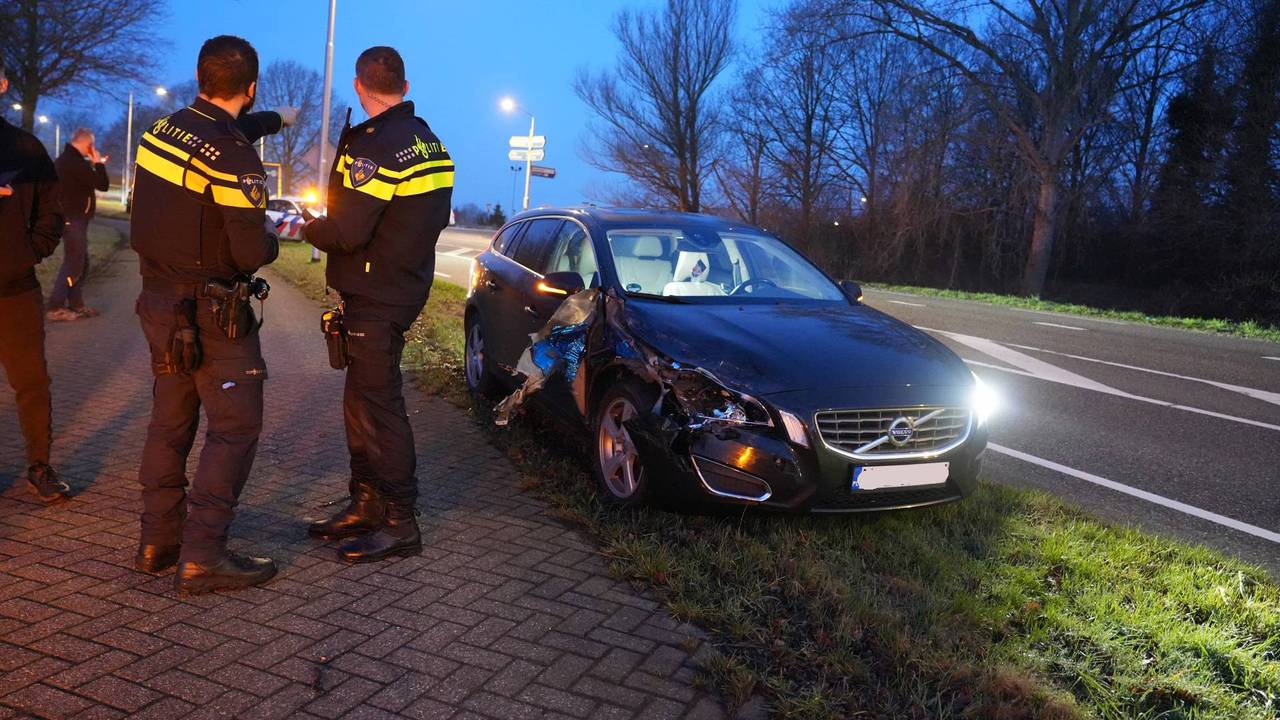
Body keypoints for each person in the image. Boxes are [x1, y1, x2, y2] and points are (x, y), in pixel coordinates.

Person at [130, 35, 292, 595]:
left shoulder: (161, 131)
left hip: (157, 300)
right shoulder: (234, 156)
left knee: (169, 421)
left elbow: (221, 134)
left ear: (199, 78)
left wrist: (270, 120)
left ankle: (158, 542)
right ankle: (203, 556)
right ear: (250, 88)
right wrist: (273, 237)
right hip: (211, 311)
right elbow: (249, 252)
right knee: (235, 427)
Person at [303, 46, 454, 563]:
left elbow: (347, 230)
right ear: (404, 87)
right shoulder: (428, 141)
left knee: (380, 405)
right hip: (400, 286)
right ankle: (365, 503)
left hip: (376, 293)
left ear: (359, 85)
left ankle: (398, 521)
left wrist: (308, 228)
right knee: (361, 399)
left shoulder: (378, 146)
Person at [0, 64, 71, 505]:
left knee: (32, 382)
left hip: (14, 288)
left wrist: (30, 252)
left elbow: (51, 210)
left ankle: (39, 467)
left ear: (3, 84)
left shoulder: (26, 148)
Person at [48, 128, 110, 321]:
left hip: (74, 217)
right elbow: (102, 184)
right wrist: (98, 163)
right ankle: (56, 306)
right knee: (74, 261)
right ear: (88, 144)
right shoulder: (73, 162)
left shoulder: (70, 161)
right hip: (72, 218)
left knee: (80, 261)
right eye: (92, 145)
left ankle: (76, 304)